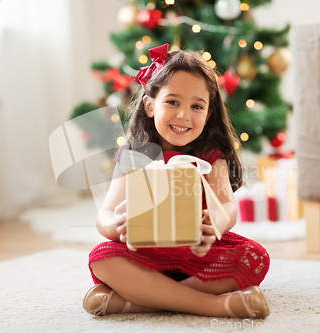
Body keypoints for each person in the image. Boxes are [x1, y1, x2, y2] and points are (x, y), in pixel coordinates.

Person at [84, 44, 270, 318]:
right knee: (102, 258)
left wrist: (215, 224)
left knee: (254, 257)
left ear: (207, 115)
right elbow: (105, 216)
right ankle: (212, 305)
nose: (184, 115)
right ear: (149, 105)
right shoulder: (135, 155)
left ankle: (138, 301)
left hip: (198, 253)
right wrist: (117, 225)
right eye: (172, 102)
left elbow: (228, 208)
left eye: (197, 106)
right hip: (146, 253)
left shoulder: (211, 156)